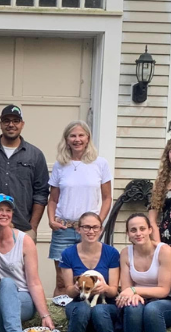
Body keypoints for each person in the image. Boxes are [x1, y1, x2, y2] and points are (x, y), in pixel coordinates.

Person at [0, 194, 54, 332]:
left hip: (23, 298)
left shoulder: (24, 241)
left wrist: (45, 315)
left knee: (8, 289)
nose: (4, 213)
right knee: (5, 291)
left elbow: (33, 282)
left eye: (8, 210)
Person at [47, 120, 112, 297]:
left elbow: (107, 197)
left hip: (88, 230)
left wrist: (98, 222)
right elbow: (53, 199)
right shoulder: (60, 165)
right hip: (64, 229)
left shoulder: (100, 164)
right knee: (62, 281)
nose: (77, 139)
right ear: (66, 140)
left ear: (88, 138)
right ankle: (59, 321)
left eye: (81, 135)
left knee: (88, 279)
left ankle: (86, 316)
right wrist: (51, 221)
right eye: (73, 136)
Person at [0, 105, 48, 241]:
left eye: (15, 121)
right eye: (6, 121)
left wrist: (33, 227)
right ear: (0, 124)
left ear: (22, 124)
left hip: (22, 228)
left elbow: (41, 194)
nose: (11, 125)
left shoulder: (35, 155)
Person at [58, 212, 121, 332]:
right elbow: (68, 291)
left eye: (95, 227)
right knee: (82, 310)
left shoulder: (112, 253)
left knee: (100, 311)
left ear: (100, 230)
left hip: (105, 303)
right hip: (78, 302)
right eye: (86, 227)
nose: (90, 231)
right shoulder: (68, 254)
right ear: (78, 229)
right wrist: (78, 288)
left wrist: (105, 287)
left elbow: (114, 291)